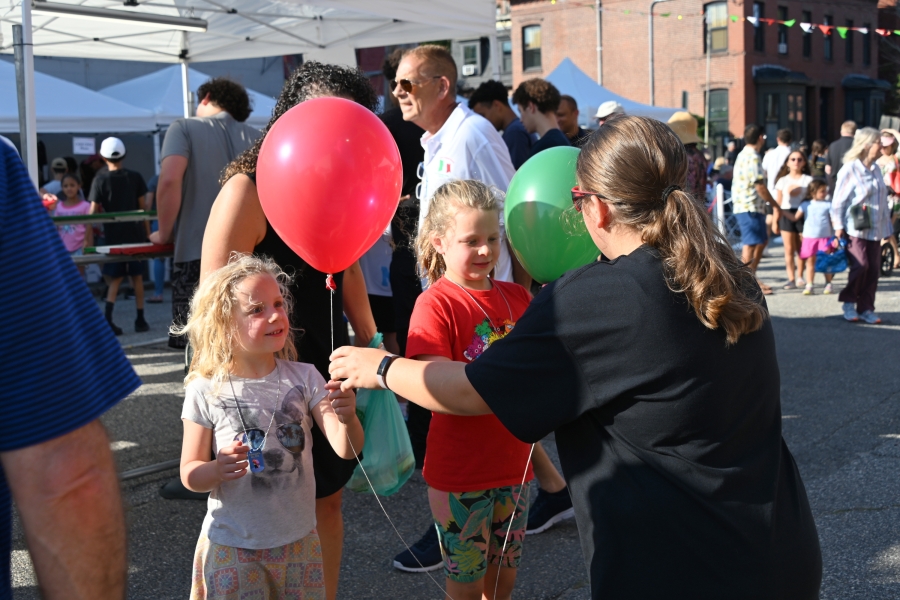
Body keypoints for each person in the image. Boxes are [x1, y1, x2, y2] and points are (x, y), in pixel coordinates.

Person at [330, 114, 822, 600]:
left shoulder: (596, 299)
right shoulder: (726, 273)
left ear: (597, 210)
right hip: (778, 549)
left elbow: (470, 390)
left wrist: (380, 367)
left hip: (681, 567)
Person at [202, 61, 379, 600]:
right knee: (252, 509)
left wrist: (372, 340)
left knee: (326, 495)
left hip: (325, 360)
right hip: (261, 372)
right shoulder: (247, 190)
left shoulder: (340, 177)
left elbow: (345, 261)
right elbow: (213, 297)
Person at [390, 44, 532, 570]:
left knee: (490, 402)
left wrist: (518, 296)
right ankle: (449, 525)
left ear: (442, 86)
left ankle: (464, 523)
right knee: (458, 407)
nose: (398, 93)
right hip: (452, 302)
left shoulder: (473, 133)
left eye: (408, 83)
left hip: (490, 307)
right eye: (396, 84)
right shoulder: (436, 141)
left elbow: (509, 210)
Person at [0, 137, 141, 600]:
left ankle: (123, 316)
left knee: (119, 282)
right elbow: (66, 474)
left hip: (109, 247)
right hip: (125, 243)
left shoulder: (100, 180)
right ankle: (134, 316)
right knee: (130, 281)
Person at [177, 254, 363, 600]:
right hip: (232, 547)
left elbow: (346, 449)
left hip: (299, 544)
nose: (276, 315)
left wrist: (349, 416)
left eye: (278, 303)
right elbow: (189, 473)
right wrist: (217, 468)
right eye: (256, 309)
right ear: (223, 323)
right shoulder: (205, 389)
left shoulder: (306, 376)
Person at [408, 179, 534, 599]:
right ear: (440, 242)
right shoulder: (435, 304)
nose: (486, 251)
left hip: (515, 469)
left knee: (503, 583)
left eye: (493, 238)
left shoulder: (518, 297)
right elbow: (432, 380)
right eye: (472, 240)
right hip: (460, 474)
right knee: (465, 584)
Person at [149, 77, 260, 349]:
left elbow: (169, 180)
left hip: (195, 254)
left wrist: (164, 232)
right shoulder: (258, 135)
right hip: (255, 255)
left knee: (200, 348)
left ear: (206, 97)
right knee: (249, 343)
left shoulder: (183, 127)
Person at [379, 48, 426, 371]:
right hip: (413, 229)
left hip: (405, 229)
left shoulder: (387, 124)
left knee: (408, 320)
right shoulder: (428, 122)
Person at [831, 127, 894, 324]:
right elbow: (838, 201)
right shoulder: (850, 169)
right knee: (861, 266)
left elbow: (882, 203)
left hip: (877, 229)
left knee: (874, 269)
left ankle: (867, 308)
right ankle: (849, 302)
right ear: (867, 145)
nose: (882, 148)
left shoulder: (876, 169)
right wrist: (838, 226)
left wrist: (888, 230)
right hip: (855, 228)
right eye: (878, 144)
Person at [88, 137, 150, 335]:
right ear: (124, 155)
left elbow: (92, 212)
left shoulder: (99, 180)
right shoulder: (135, 177)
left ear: (103, 157)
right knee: (137, 277)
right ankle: (140, 319)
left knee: (115, 278)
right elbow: (144, 210)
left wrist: (87, 238)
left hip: (113, 235)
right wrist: (149, 235)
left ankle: (108, 318)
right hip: (135, 233)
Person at [732, 124, 781, 294]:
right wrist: (775, 205)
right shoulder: (752, 156)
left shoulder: (743, 154)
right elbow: (759, 185)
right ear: (761, 137)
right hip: (749, 205)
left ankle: (750, 278)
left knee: (759, 241)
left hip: (747, 205)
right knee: (752, 243)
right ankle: (745, 281)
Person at [468, 80, 532, 169]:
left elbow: (515, 177)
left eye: (483, 115)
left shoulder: (514, 133)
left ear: (497, 105)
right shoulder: (516, 129)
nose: (481, 121)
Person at [774, 150, 813, 289]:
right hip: (786, 213)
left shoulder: (808, 180)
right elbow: (777, 203)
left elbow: (813, 199)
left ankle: (800, 276)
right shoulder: (782, 180)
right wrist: (775, 220)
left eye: (800, 159)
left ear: (804, 162)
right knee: (789, 249)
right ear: (787, 162)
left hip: (804, 214)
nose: (796, 162)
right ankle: (791, 278)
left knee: (802, 248)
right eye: (793, 159)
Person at [793, 180, 835, 295]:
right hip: (809, 237)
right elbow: (796, 217)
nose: (825, 193)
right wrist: (780, 211)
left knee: (825, 261)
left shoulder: (828, 204)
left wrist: (835, 235)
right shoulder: (806, 204)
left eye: (825, 191)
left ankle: (829, 283)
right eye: (822, 191)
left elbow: (833, 220)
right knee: (810, 262)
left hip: (825, 238)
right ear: (813, 192)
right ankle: (809, 284)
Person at [512, 78, 570, 157]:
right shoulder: (562, 142)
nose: (521, 120)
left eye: (521, 112)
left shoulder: (544, 149)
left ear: (530, 107)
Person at [54, 172, 93, 278]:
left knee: (79, 276)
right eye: (65, 186)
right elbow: (56, 229)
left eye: (72, 185)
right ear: (62, 188)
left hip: (80, 247)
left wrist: (89, 247)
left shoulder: (85, 206)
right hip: (63, 247)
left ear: (79, 186)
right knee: (64, 277)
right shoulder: (59, 207)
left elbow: (89, 227)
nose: (69, 189)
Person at [667, 111, 707, 200]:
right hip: (698, 207)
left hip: (685, 207)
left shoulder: (685, 157)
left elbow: (686, 189)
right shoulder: (698, 155)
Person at [875, 128, 900, 270]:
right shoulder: (876, 160)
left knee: (888, 227)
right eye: (882, 146)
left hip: (894, 197)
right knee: (886, 228)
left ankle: (891, 255)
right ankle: (894, 254)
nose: (883, 148)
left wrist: (893, 131)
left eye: (886, 146)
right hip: (880, 197)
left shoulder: (896, 158)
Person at [826, 121, 857, 194]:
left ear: (841, 131)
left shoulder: (832, 145)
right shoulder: (857, 145)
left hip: (836, 183)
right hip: (853, 184)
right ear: (855, 132)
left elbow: (828, 169)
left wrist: (830, 185)